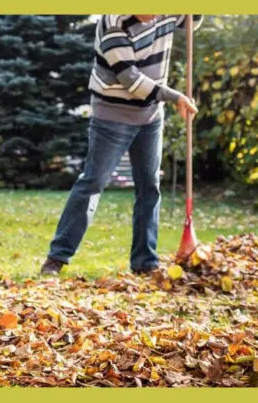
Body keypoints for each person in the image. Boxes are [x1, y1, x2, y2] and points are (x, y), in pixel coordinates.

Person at [42, 15, 203, 276]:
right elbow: (131, 79)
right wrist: (175, 97)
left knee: (150, 187)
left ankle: (145, 263)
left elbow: (190, 23)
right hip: (112, 117)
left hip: (150, 117)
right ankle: (56, 258)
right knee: (92, 183)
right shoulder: (114, 22)